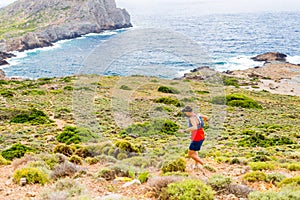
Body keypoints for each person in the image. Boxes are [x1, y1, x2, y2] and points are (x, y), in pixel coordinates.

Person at [179, 106, 208, 170]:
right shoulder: (198, 115)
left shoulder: (192, 118)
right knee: (194, 151)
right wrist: (202, 124)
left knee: (190, 154)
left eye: (185, 112)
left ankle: (204, 165)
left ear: (188, 112)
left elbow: (194, 127)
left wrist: (183, 131)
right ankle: (196, 165)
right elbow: (206, 117)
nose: (185, 114)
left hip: (197, 137)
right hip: (201, 134)